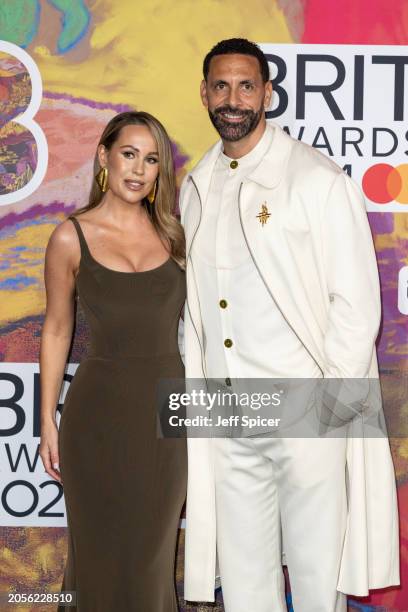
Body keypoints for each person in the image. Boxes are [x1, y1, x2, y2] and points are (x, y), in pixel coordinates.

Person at [179, 38, 400, 611]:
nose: (233, 99)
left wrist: (333, 409)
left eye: (246, 86)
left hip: (305, 409)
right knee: (247, 581)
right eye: (221, 86)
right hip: (230, 413)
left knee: (315, 574)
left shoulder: (316, 179)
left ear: (268, 94)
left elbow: (356, 306)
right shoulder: (196, 184)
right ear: (204, 93)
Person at [39, 111, 187, 611]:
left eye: (151, 160)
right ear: (104, 156)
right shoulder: (69, 237)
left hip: (168, 420)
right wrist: (47, 422)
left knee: (151, 558)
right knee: (98, 561)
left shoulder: (177, 236)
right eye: (129, 154)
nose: (138, 170)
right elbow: (58, 329)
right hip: (96, 419)